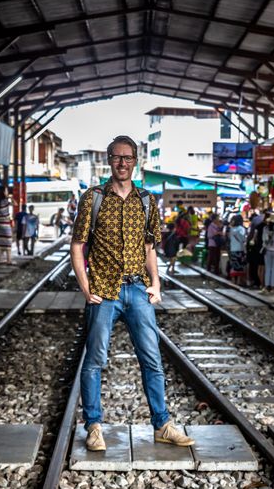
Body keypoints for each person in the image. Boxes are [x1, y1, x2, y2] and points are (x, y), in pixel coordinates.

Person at [70, 135, 194, 452]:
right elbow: (77, 245)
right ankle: (94, 426)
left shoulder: (147, 201)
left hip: (137, 288)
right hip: (104, 290)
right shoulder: (93, 198)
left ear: (135, 161)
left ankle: (162, 425)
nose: (122, 163)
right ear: (109, 160)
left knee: (152, 360)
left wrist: (156, 282)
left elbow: (150, 247)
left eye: (128, 158)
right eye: (116, 157)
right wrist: (85, 288)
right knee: (95, 359)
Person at [0, 188, 13, 265]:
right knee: (8, 242)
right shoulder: (5, 201)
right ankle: (9, 260)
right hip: (6, 225)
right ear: (3, 193)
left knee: (1, 242)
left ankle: (0, 260)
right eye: (6, 191)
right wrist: (9, 197)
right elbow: (15, 204)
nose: (7, 192)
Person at [247, 211, 266, 288]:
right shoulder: (264, 225)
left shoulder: (256, 223)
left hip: (255, 246)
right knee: (261, 266)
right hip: (262, 247)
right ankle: (261, 283)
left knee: (254, 265)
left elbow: (252, 236)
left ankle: (255, 282)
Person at [227, 214, 247, 285]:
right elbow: (243, 239)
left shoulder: (231, 229)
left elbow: (229, 238)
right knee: (239, 266)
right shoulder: (241, 229)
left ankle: (233, 281)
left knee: (233, 265)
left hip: (232, 249)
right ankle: (238, 281)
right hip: (240, 249)